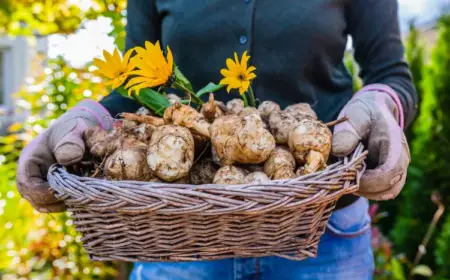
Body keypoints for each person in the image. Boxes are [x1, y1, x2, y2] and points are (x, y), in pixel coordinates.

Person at [17, 0, 416, 279]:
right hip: (176, 232)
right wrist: (90, 115)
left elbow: (389, 72)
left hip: (321, 225)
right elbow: (134, 86)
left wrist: (381, 105)